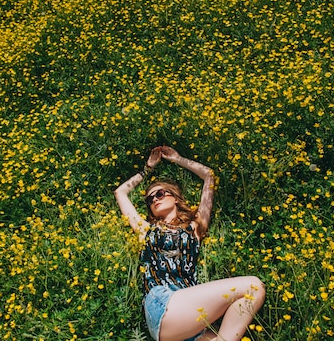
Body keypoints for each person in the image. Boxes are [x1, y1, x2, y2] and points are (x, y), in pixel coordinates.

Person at [114, 146, 265, 341]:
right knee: (253, 286)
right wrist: (147, 168)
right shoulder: (146, 231)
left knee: (253, 294)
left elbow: (209, 176)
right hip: (162, 301)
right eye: (150, 199)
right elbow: (120, 193)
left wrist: (178, 159)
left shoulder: (194, 227)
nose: (154, 200)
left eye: (159, 194)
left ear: (175, 198)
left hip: (189, 317)